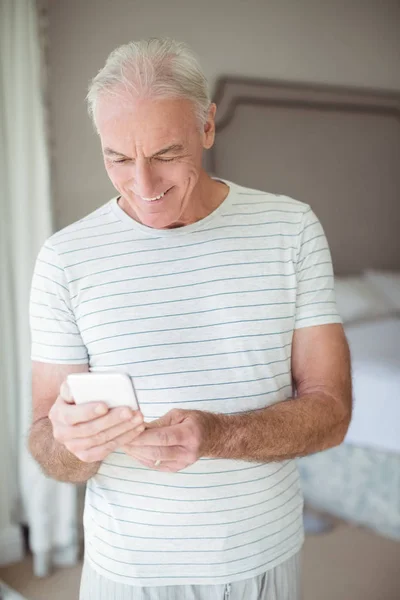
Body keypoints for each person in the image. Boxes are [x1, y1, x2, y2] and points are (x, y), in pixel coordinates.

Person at [29, 37, 352, 600]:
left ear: (207, 127)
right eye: (119, 158)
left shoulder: (291, 230)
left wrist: (218, 434)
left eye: (165, 154)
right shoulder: (65, 258)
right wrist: (73, 444)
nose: (143, 187)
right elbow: (46, 446)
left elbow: (332, 411)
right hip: (126, 572)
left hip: (262, 559)